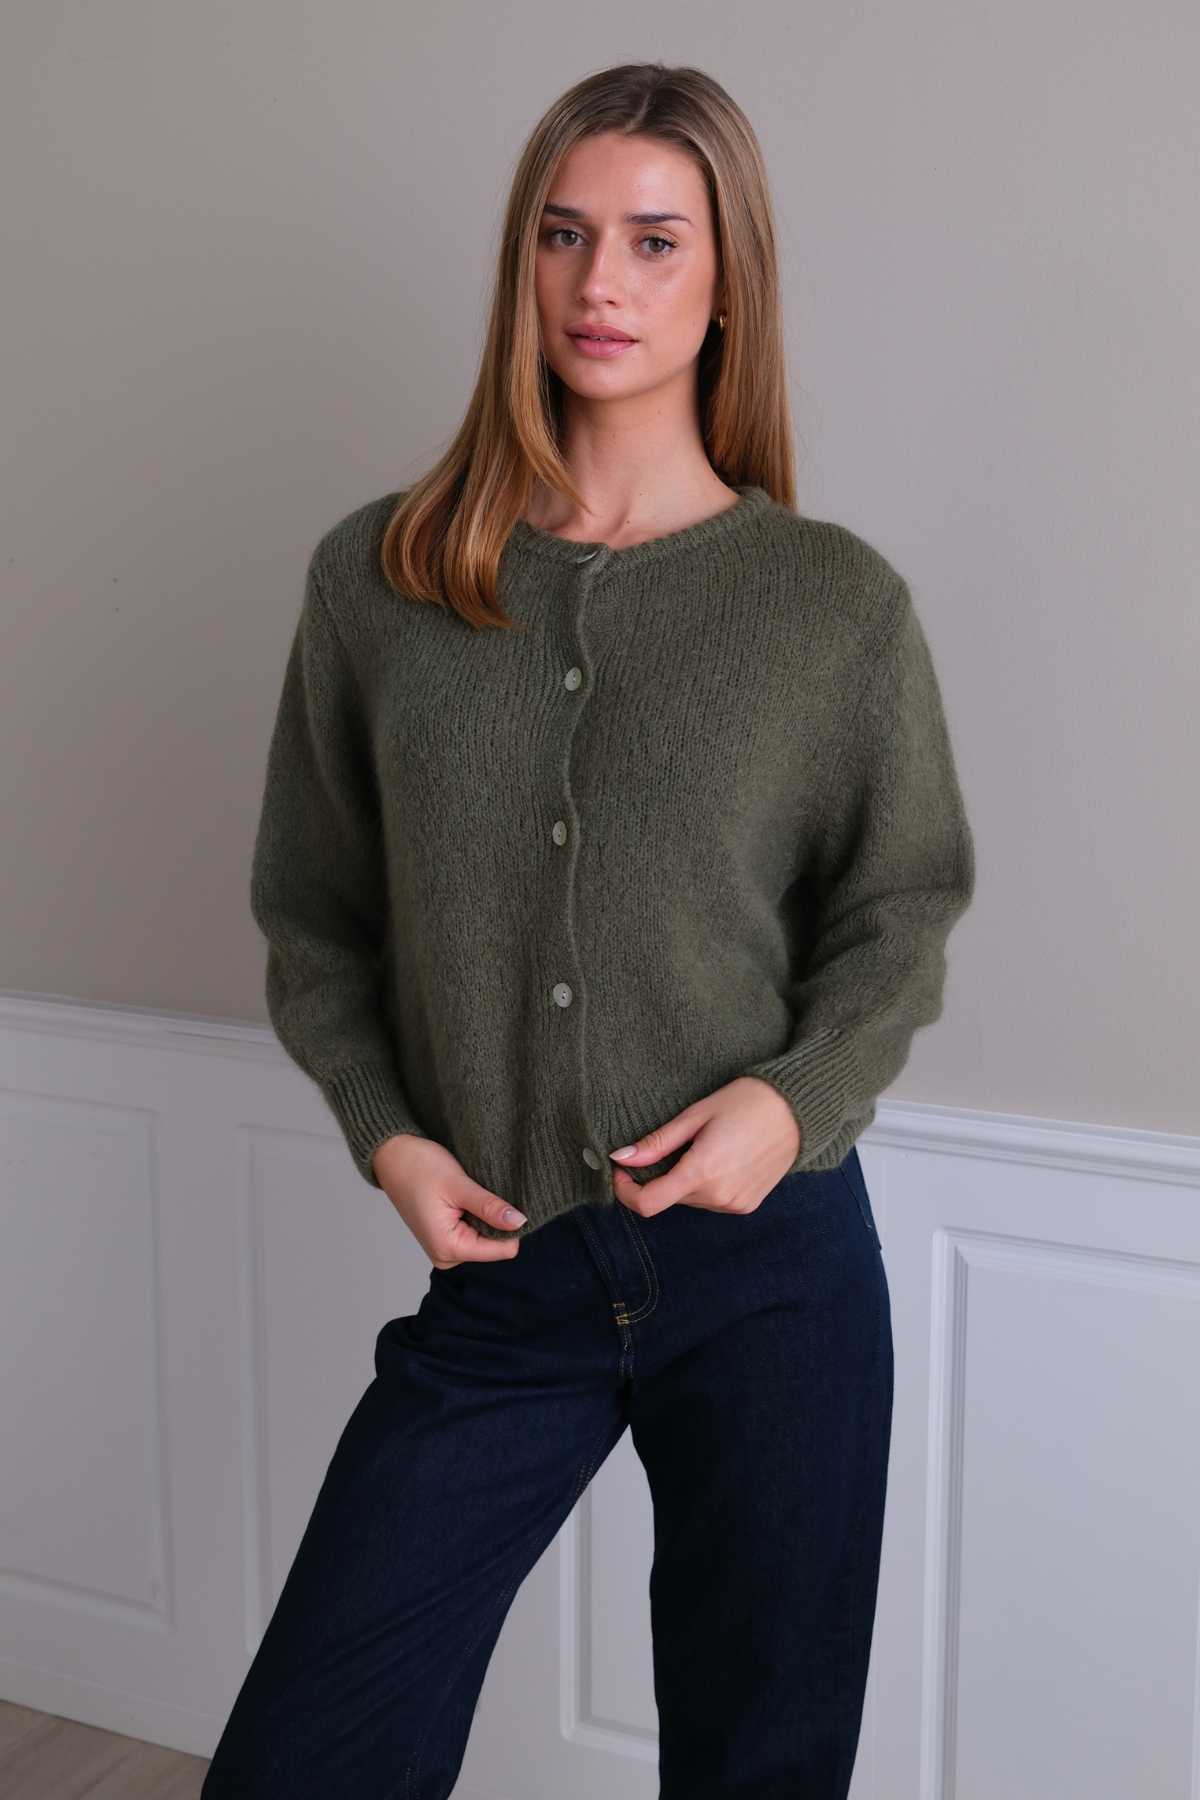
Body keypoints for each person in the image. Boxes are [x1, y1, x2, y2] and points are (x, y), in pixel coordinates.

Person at [202, 61, 973, 1800]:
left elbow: (900, 909)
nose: (598, 283)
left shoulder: (831, 603)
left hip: (772, 1264)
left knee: (760, 1765)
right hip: (509, 1275)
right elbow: (313, 917)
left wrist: (791, 1102)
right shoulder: (382, 579)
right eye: (562, 236)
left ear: (728, 280)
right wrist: (389, 1135)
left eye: (652, 239)